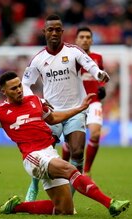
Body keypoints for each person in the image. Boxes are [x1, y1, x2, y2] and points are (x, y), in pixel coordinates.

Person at [0, 71, 130, 217]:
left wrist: (78, 109)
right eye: (13, 89)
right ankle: (110, 203)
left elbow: (54, 118)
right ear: (4, 91)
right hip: (33, 157)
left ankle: (16, 207)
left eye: (20, 86)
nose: (19, 90)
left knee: (64, 210)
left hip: (49, 152)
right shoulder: (0, 113)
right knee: (69, 168)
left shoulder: (35, 101)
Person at [22, 14, 110, 201]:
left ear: (62, 32)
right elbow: (25, 84)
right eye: (50, 29)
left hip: (76, 110)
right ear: (44, 32)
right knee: (42, 152)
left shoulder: (73, 51)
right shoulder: (38, 59)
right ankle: (34, 183)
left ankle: (70, 194)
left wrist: (99, 74)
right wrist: (36, 102)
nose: (54, 32)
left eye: (57, 29)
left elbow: (89, 64)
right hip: (52, 113)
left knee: (77, 151)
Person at [61, 26, 106, 176]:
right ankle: (64, 170)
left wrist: (101, 87)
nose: (85, 40)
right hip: (76, 104)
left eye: (88, 37)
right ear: (76, 40)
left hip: (93, 102)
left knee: (94, 135)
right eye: (82, 37)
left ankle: (86, 172)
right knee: (70, 142)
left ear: (92, 40)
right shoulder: (69, 58)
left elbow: (100, 77)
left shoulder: (98, 58)